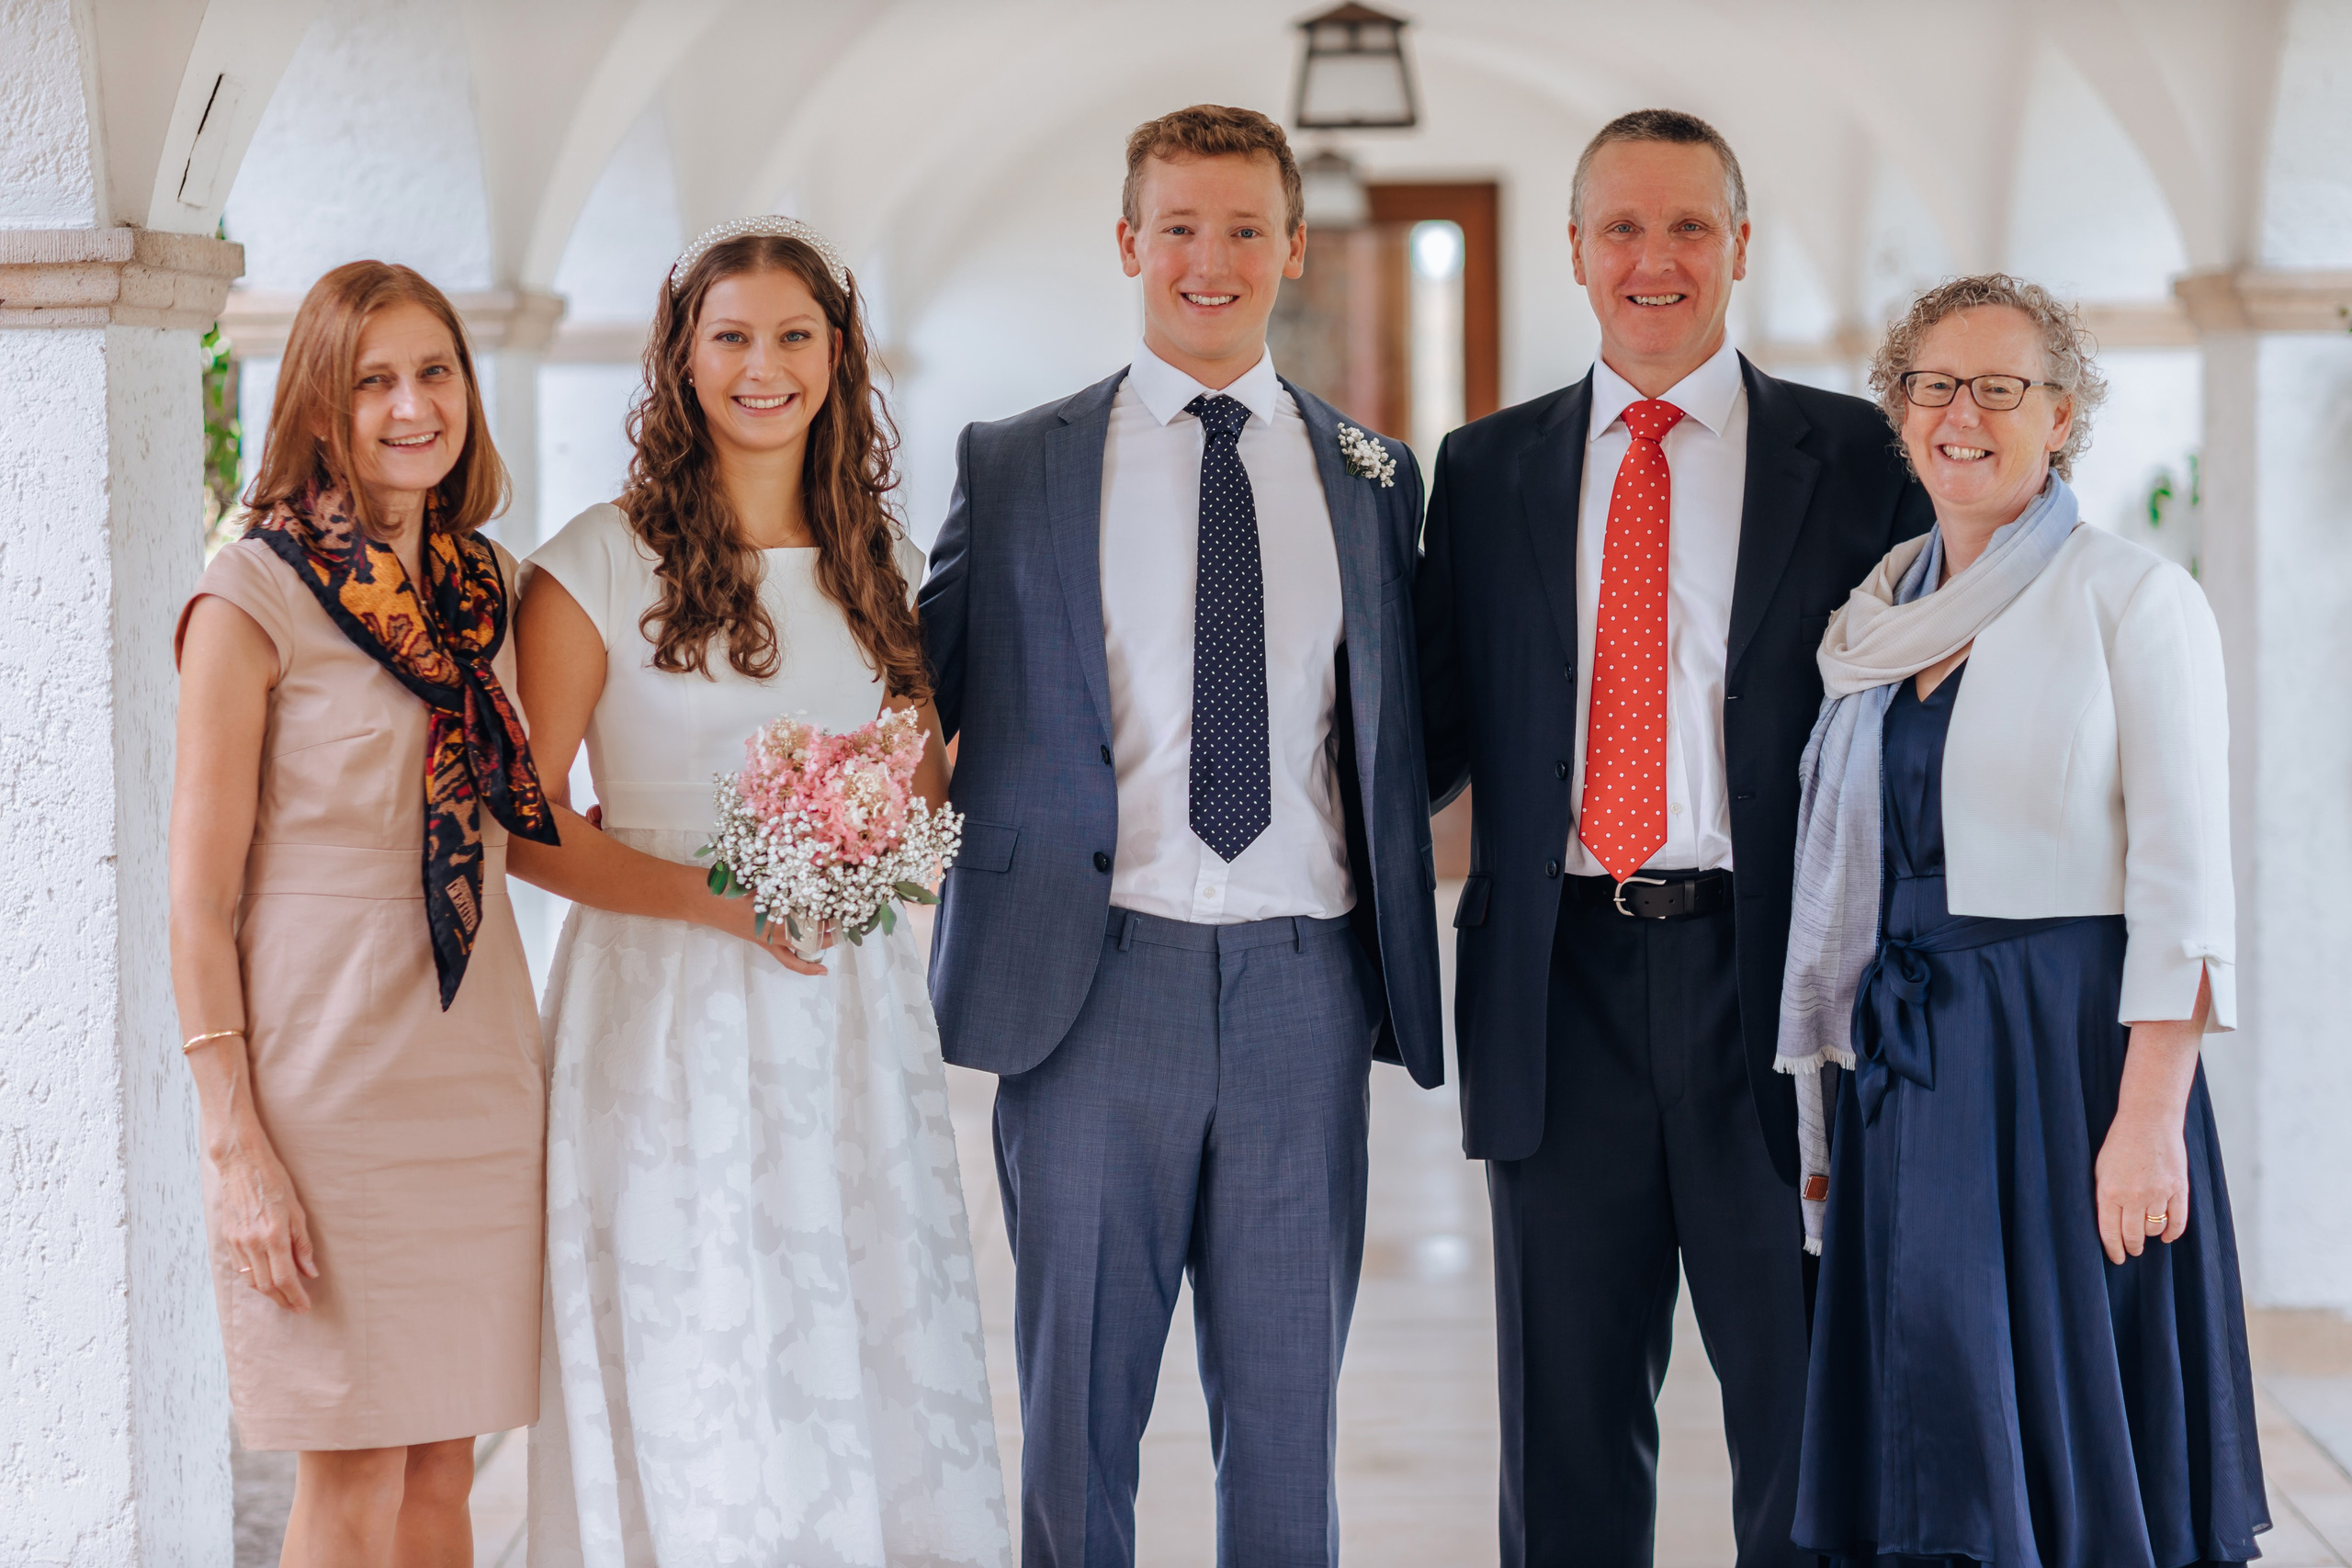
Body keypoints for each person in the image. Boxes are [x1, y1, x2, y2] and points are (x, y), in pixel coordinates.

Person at [917, 104, 1443, 1567]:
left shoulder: (1373, 474)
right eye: (1180, 228)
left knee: (1286, 1421)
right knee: (1076, 1415)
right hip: (1090, 988)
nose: (1210, 261)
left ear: (1293, 247)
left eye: (1244, 229)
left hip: (1304, 995)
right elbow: (920, 691)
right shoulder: (1017, 463)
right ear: (1128, 241)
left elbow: (1414, 725)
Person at [1414, 108, 1935, 1568]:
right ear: (1576, 250)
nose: (1657, 258)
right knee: (1566, 1430)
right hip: (1557, 987)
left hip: (1783, 988)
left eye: (1690, 225)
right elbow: (1426, 729)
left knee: (1809, 1414)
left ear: (1741, 247)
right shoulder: (1486, 469)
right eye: (1624, 228)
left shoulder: (1857, 456)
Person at [510, 217, 1009, 1568]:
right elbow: (522, 825)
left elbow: (919, 802)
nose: (762, 367)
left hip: (844, 1008)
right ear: (681, 357)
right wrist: (717, 900)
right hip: (662, 1007)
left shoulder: (876, 562)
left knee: (850, 1312)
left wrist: (876, 827)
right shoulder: (597, 560)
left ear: (837, 356)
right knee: (699, 1325)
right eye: (730, 337)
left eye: (794, 336)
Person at [1783, 273, 2266, 1565]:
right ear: (1899, 411)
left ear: (2062, 416)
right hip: (1910, 1058)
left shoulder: (2134, 598)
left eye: (2002, 388)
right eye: (1935, 385)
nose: (1963, 416)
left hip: (2066, 1062)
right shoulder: (1875, 618)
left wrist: (2148, 1125)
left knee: (2062, 1417)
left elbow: (2186, 888)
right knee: (1930, 1393)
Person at [169, 260, 557, 1565]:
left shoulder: (491, 588)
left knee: (445, 1466)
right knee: (352, 1469)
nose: (411, 406)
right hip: (325, 1081)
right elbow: (198, 898)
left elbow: (539, 821)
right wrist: (235, 1144)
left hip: (478, 1064)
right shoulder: (251, 595)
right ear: (318, 407)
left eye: (434, 372)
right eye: (372, 381)